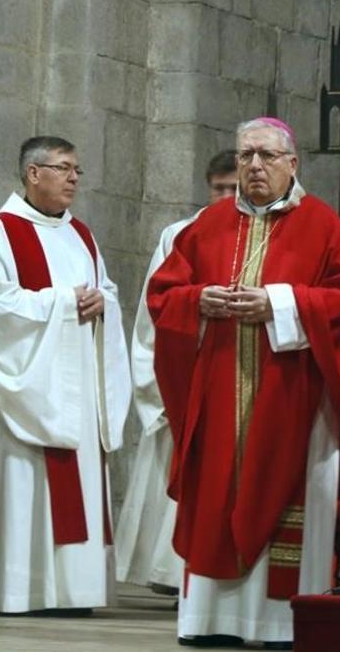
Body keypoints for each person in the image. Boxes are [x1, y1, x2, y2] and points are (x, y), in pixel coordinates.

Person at [147, 117, 340, 647]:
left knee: (288, 502)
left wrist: (278, 303)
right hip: (219, 395)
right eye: (245, 154)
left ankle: (279, 624)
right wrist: (197, 301)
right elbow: (164, 294)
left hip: (295, 399)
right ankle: (210, 620)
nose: (254, 165)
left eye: (267, 156)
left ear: (292, 164)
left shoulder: (326, 227)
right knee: (215, 497)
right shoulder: (205, 226)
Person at [0, 136, 132, 614]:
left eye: (77, 169)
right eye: (63, 168)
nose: (74, 178)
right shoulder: (4, 230)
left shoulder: (81, 233)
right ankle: (22, 590)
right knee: (27, 484)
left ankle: (73, 591)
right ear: (33, 174)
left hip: (79, 383)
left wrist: (104, 304)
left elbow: (107, 290)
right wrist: (63, 303)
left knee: (77, 485)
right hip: (31, 390)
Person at [115, 150, 237, 594]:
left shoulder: (258, 235)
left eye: (234, 188)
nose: (226, 196)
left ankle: (199, 570)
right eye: (219, 188)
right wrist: (153, 378)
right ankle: (166, 573)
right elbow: (156, 306)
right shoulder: (180, 234)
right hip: (182, 369)